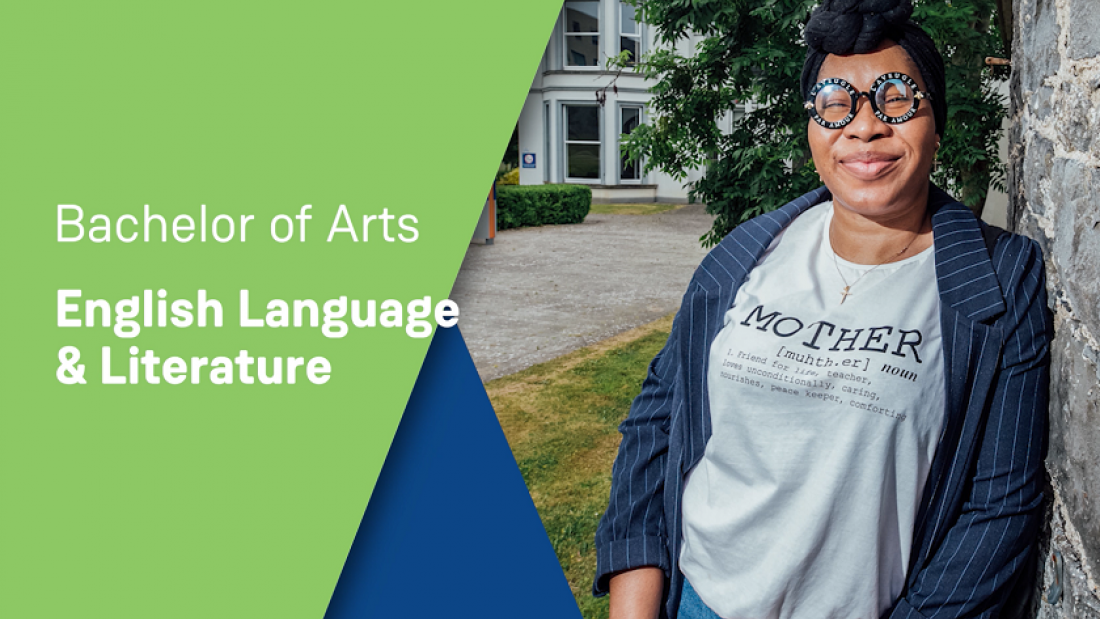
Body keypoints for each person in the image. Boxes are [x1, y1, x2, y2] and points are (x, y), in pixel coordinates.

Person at [592, 1, 1052, 618]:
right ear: (811, 127)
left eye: (896, 98)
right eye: (836, 102)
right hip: (697, 599)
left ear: (936, 124)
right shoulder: (746, 254)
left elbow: (999, 508)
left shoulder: (997, 279)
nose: (864, 127)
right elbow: (656, 423)